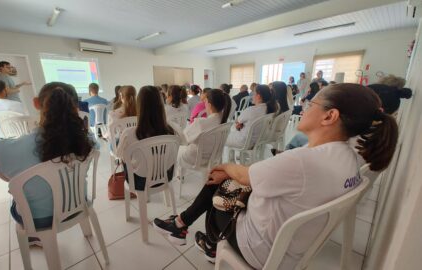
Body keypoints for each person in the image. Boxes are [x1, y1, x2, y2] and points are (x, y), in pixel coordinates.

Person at [153, 83, 398, 268]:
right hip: (294, 246)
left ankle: (191, 231)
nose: (305, 105)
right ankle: (182, 225)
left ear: (329, 116)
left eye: (312, 103)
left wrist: (226, 167)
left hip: (259, 249)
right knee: (228, 177)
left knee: (219, 179)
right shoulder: (349, 157)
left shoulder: (302, 161)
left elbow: (248, 176)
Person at [0, 82, 95, 245]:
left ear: (36, 103)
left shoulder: (2, 149)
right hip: (79, 204)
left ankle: (35, 238)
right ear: (76, 106)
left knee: (17, 195)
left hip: (39, 220)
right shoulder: (88, 141)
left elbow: (6, 178)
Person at [116, 86, 177, 190]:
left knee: (125, 157)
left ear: (139, 106)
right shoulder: (172, 130)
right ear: (161, 105)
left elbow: (119, 154)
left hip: (140, 181)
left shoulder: (129, 133)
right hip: (166, 176)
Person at [177, 89, 232, 167]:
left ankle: (180, 177)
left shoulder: (201, 123)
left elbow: (184, 139)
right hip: (214, 157)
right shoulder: (226, 122)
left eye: (205, 101)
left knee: (178, 151)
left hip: (196, 158)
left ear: (209, 105)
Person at [225, 84, 280, 149]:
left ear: (258, 96)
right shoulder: (270, 109)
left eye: (253, 94)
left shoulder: (251, 110)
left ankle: (230, 158)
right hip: (258, 140)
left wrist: (239, 125)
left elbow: (237, 121)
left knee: (223, 137)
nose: (252, 96)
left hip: (244, 142)